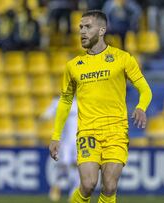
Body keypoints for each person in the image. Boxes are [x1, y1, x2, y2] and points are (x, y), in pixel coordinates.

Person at [49, 10, 152, 203]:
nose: (82, 32)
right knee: (88, 185)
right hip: (88, 132)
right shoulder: (74, 66)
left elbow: (145, 89)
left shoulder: (122, 58)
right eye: (80, 27)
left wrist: (141, 107)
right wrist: (56, 136)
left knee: (110, 186)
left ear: (102, 30)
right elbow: (65, 101)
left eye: (88, 27)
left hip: (116, 131)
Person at [41, 97, 79, 202]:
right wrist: (45, 116)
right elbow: (46, 114)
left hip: (78, 141)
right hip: (65, 141)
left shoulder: (81, 102)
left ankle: (74, 193)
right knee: (64, 164)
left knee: (76, 166)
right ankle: (56, 187)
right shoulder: (58, 102)